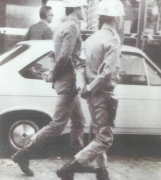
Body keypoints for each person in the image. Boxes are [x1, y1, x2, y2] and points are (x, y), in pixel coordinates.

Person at [11, 0, 88, 177]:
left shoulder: (60, 27)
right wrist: (54, 75)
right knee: (58, 124)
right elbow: (64, 57)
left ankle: (76, 162)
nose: (84, 10)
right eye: (83, 7)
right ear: (76, 8)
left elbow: (57, 55)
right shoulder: (73, 27)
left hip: (68, 82)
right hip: (68, 83)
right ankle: (24, 154)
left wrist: (53, 73)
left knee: (79, 121)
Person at [56, 0, 125, 180]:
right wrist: (91, 87)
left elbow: (81, 64)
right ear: (116, 19)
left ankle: (102, 171)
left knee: (97, 131)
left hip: (91, 96)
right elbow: (108, 73)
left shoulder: (91, 39)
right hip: (105, 95)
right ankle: (70, 167)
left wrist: (83, 86)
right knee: (105, 138)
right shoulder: (113, 41)